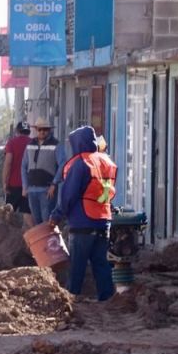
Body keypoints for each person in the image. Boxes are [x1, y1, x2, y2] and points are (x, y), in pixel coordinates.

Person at [50, 125, 117, 301]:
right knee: (101, 264)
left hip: (83, 222)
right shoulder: (105, 162)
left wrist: (57, 215)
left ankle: (72, 300)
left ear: (78, 144)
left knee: (77, 266)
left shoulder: (81, 164)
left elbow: (69, 195)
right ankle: (107, 299)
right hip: (103, 221)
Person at [21, 117, 66, 225]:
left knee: (47, 222)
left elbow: (63, 164)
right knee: (37, 221)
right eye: (39, 129)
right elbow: (23, 166)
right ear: (36, 130)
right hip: (32, 190)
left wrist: (54, 184)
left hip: (47, 190)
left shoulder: (56, 144)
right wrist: (25, 186)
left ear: (49, 130)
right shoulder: (30, 145)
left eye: (45, 129)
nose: (42, 132)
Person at [2, 121, 33, 226]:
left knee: (9, 215)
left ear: (17, 131)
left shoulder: (12, 143)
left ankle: (7, 234)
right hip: (29, 185)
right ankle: (30, 234)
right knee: (27, 214)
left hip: (13, 185)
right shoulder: (33, 143)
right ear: (29, 131)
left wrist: (5, 183)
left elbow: (8, 163)